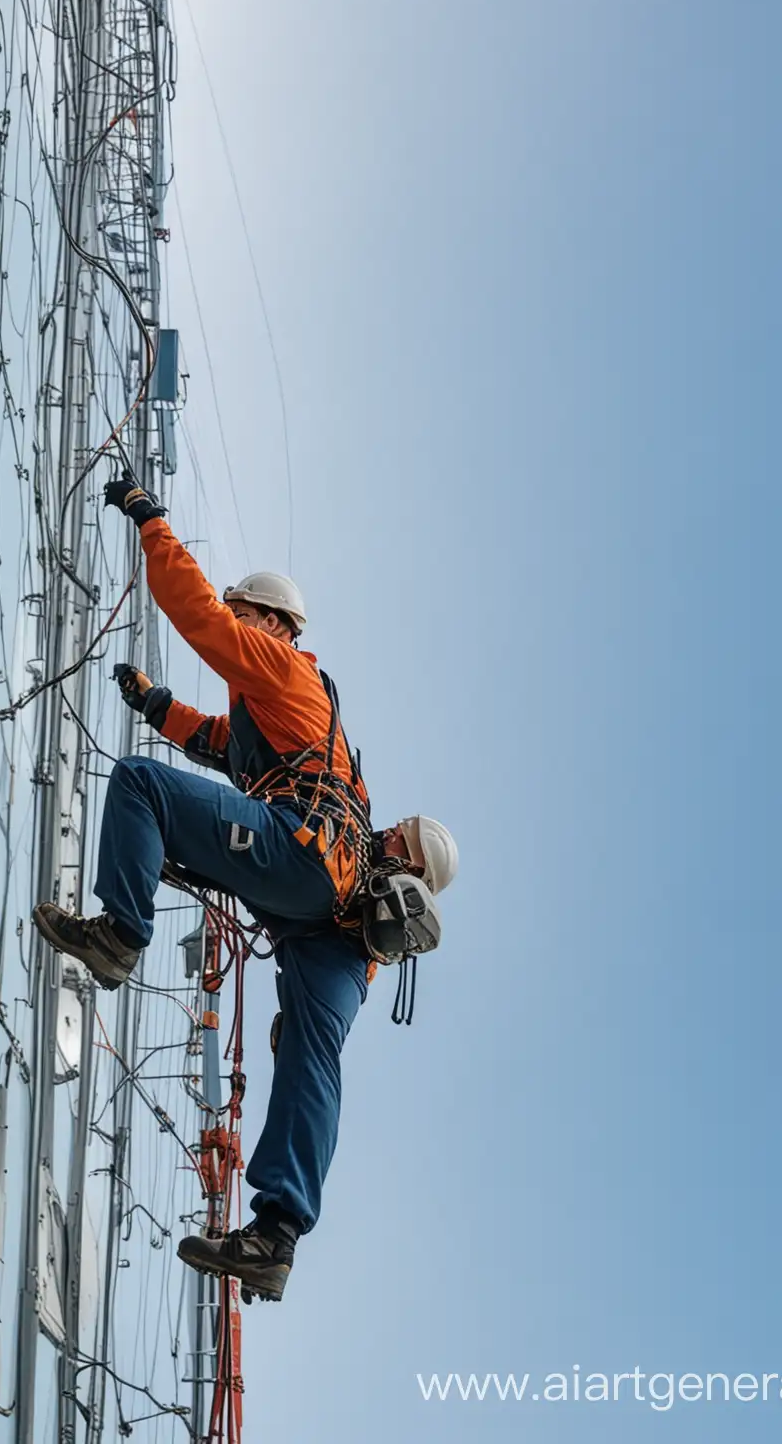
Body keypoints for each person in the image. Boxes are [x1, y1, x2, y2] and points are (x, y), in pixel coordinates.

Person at [33, 472, 457, 1300]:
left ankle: (121, 934)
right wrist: (157, 705)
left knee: (141, 788)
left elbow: (203, 621)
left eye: (248, 613)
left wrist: (151, 521)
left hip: (305, 864)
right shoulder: (298, 731)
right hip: (334, 935)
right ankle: (276, 1236)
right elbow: (222, 744)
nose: (242, 626)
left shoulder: (286, 669)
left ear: (273, 622)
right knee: (312, 1059)